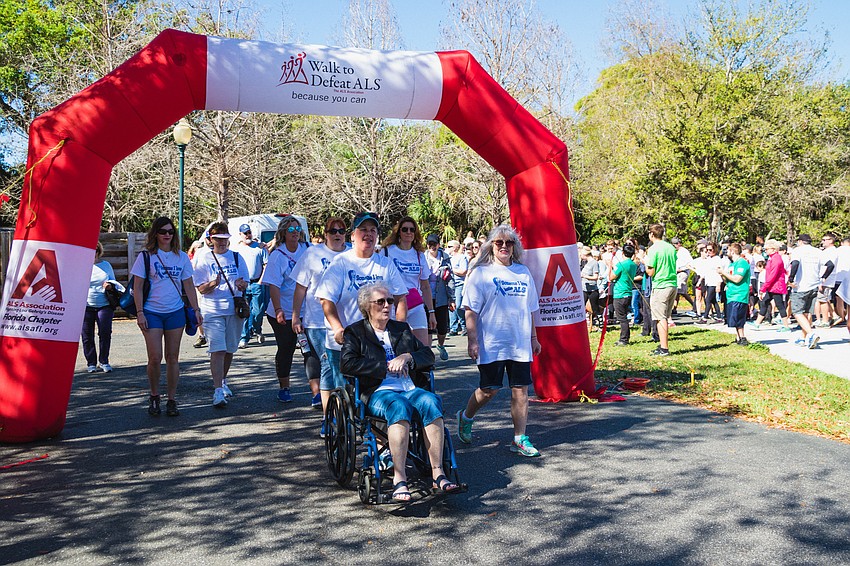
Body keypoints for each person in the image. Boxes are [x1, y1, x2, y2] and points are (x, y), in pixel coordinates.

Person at [341, 282, 460, 502]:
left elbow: (428, 355)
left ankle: (438, 473)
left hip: (408, 387)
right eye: (381, 302)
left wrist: (408, 357)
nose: (387, 305)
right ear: (367, 306)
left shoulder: (401, 329)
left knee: (431, 401)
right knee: (399, 406)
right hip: (378, 391)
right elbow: (347, 364)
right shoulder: (356, 332)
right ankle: (400, 478)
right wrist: (384, 366)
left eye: (390, 301)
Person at [457, 224, 542, 457]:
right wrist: (472, 341)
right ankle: (466, 416)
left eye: (509, 242)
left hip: (519, 342)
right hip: (491, 342)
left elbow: (531, 309)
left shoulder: (523, 272)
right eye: (499, 242)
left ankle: (519, 438)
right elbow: (470, 310)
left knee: (520, 390)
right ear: (491, 246)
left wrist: (534, 338)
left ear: (515, 247)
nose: (504, 246)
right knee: (489, 390)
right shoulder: (481, 273)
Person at [315, 211, 408, 410]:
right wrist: (338, 328)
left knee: (381, 393)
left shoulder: (385, 264)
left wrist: (399, 330)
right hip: (347, 342)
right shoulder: (341, 263)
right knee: (348, 399)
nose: (368, 234)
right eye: (363, 230)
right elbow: (326, 300)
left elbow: (401, 298)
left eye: (373, 230)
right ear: (352, 236)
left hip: (379, 341)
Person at [131, 216, 202, 416]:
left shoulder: (181, 257)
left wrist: (196, 310)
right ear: (155, 233)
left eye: (171, 231)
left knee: (172, 358)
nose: (167, 235)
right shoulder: (146, 256)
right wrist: (140, 313)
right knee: (155, 357)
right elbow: (137, 287)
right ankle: (154, 395)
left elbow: (188, 285)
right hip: (152, 311)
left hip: (175, 312)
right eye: (163, 231)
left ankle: (172, 399)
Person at [291, 216, 348, 429]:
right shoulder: (312, 254)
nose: (337, 235)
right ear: (325, 234)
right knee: (327, 364)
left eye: (341, 231)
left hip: (346, 320)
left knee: (344, 366)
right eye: (333, 231)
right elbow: (300, 288)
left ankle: (345, 411)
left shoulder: (351, 254)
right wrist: (295, 316)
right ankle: (328, 417)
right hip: (316, 321)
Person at [193, 221, 249, 408]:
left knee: (229, 349)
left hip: (233, 310)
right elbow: (200, 289)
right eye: (218, 239)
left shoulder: (237, 257)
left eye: (225, 238)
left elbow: (245, 282)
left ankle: (223, 381)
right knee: (217, 349)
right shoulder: (204, 259)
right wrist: (213, 284)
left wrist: (242, 284)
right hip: (213, 310)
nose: (222, 242)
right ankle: (217, 390)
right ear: (211, 239)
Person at [261, 215, 310, 404]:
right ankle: (284, 387)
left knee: (309, 350)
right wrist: (279, 309)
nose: (295, 232)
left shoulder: (307, 249)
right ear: (283, 232)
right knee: (286, 349)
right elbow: (273, 285)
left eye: (297, 229)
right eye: (290, 229)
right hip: (283, 311)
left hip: (306, 311)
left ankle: (316, 389)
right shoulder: (277, 255)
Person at [381, 217, 437, 347]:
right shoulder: (387, 251)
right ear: (398, 232)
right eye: (405, 229)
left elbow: (425, 286)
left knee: (424, 346)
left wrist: (431, 312)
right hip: (394, 303)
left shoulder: (419, 254)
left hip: (415, 302)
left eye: (412, 229)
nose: (408, 232)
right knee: (396, 344)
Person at [82, 241, 122, 373]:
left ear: (99, 252)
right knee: (87, 335)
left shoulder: (106, 265)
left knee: (105, 333)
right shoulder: (80, 265)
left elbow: (114, 282)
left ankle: (104, 361)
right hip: (86, 305)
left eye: (95, 251)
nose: (92, 253)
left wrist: (110, 286)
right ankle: (91, 363)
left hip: (104, 305)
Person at [788, 234, 826, 349]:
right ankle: (804, 338)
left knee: (797, 312)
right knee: (807, 312)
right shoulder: (818, 251)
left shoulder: (798, 250)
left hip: (800, 286)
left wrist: (791, 278)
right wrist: (823, 277)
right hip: (814, 285)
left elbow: (795, 263)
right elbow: (830, 264)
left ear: (800, 241)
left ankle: (811, 334)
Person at [644, 224, 678, 356]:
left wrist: (645, 262)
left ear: (652, 234)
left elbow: (650, 272)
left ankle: (664, 348)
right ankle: (663, 345)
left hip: (661, 285)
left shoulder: (653, 249)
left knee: (660, 318)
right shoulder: (670, 247)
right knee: (664, 316)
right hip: (672, 284)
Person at [235, 223, 269, 349]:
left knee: (258, 311)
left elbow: (266, 265)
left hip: (257, 283)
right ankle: (244, 337)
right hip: (243, 284)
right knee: (244, 310)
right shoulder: (237, 250)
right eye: (245, 233)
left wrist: (261, 281)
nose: (248, 235)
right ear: (240, 234)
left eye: (249, 232)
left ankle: (256, 328)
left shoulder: (259, 247)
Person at [748, 239, 792, 331]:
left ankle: (786, 326)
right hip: (772, 286)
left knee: (779, 305)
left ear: (773, 249)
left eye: (767, 249)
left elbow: (772, 275)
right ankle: (757, 323)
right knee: (764, 302)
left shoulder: (776, 259)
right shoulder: (772, 258)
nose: (765, 250)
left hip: (776, 286)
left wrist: (763, 288)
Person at [424, 233, 454, 361]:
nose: (432, 247)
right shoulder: (422, 257)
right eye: (430, 244)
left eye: (434, 244)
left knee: (442, 327)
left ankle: (441, 345)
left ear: (438, 245)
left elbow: (450, 279)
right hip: (426, 296)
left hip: (441, 296)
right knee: (428, 327)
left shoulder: (445, 258)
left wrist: (451, 298)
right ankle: (428, 355)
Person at [719, 243, 751, 345]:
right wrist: (722, 275)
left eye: (728, 250)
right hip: (731, 295)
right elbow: (728, 280)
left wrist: (724, 272)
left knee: (738, 318)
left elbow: (737, 279)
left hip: (739, 294)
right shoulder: (731, 265)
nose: (726, 252)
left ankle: (743, 337)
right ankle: (738, 338)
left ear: (733, 251)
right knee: (733, 318)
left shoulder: (742, 263)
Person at [610, 244, 638, 346]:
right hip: (628, 292)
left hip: (620, 293)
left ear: (623, 253)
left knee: (622, 318)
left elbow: (611, 277)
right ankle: (624, 337)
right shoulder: (633, 265)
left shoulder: (620, 264)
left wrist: (611, 266)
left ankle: (624, 339)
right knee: (624, 316)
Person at [447, 240, 468, 335]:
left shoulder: (462, 257)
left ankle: (464, 326)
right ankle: (453, 328)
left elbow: (464, 271)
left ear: (455, 247)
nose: (448, 248)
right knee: (451, 306)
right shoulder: (447, 258)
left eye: (449, 246)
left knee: (458, 305)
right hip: (449, 285)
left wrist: (452, 270)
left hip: (459, 284)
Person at [672, 237, 697, 316]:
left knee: (681, 291)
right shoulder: (678, 252)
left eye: (676, 244)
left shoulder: (684, 251)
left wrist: (681, 269)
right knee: (678, 291)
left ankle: (694, 305)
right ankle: (674, 308)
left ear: (679, 243)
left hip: (683, 272)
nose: (675, 246)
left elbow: (690, 262)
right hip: (678, 273)